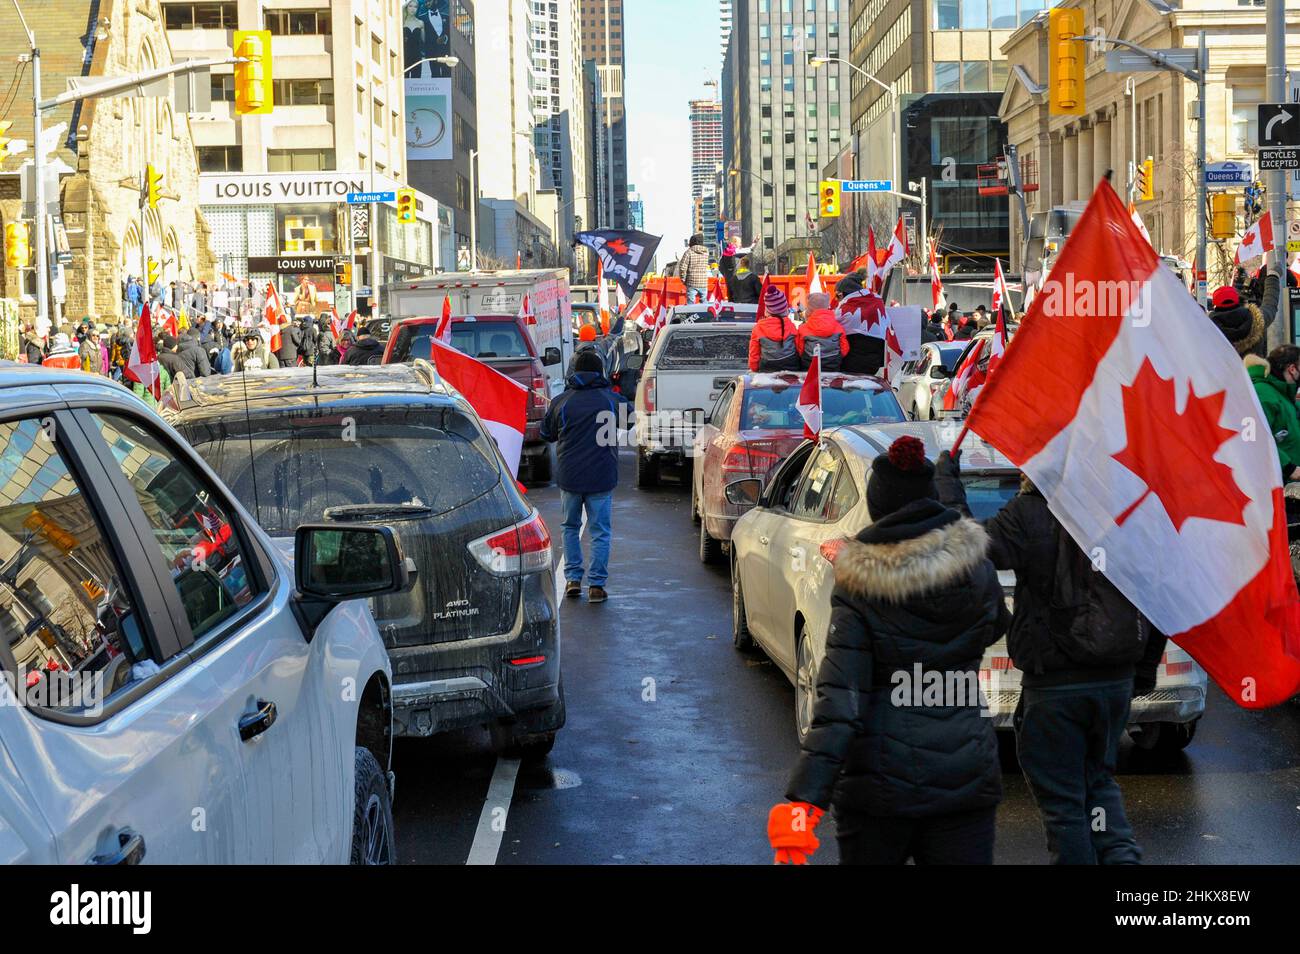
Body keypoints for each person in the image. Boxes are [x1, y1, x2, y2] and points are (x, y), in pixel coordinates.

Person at [770, 435, 1008, 865]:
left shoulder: (860, 585)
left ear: (877, 507)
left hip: (879, 792)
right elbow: (996, 625)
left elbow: (840, 700)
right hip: (964, 781)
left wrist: (805, 799)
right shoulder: (976, 570)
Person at [936, 451, 1164, 865]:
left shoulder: (1031, 512)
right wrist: (1143, 670)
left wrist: (948, 490)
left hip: (1057, 688)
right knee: (1096, 785)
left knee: (1065, 805)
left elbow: (969, 550)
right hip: (1113, 683)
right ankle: (1119, 857)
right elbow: (1160, 595)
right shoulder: (1126, 513)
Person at [540, 348, 631, 603]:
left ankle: (572, 580)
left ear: (574, 371)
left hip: (569, 477)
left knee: (570, 527)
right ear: (599, 371)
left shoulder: (562, 401)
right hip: (602, 476)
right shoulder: (611, 400)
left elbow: (547, 434)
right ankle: (597, 585)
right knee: (600, 531)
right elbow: (631, 420)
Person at [1245, 344, 1300, 483]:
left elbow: (1287, 422)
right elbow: (1254, 438)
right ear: (1292, 369)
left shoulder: (1281, 392)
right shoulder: (1263, 393)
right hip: (1275, 483)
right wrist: (1288, 467)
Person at [1208, 280, 1269, 358]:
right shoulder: (1256, 320)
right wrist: (1273, 275)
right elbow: (1270, 303)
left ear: (1215, 303)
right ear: (1237, 300)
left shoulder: (1209, 328)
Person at [748, 284, 801, 372]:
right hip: (791, 366)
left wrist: (754, 368)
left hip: (767, 368)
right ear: (785, 309)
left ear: (767, 310)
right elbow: (799, 348)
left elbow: (754, 353)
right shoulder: (791, 326)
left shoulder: (758, 328)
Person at [836, 282, 885, 375]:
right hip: (874, 365)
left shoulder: (841, 313)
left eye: (837, 296)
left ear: (842, 294)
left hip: (848, 366)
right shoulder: (880, 309)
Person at [795, 292, 850, 371]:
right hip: (833, 365)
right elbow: (844, 348)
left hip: (810, 365)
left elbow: (800, 349)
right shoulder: (838, 327)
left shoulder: (803, 328)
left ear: (809, 308)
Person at [676, 234, 711, 304]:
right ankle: (704, 315)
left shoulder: (688, 252)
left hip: (691, 282)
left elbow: (682, 267)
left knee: (691, 304)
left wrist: (683, 279)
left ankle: (691, 315)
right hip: (703, 282)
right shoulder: (706, 252)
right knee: (704, 303)